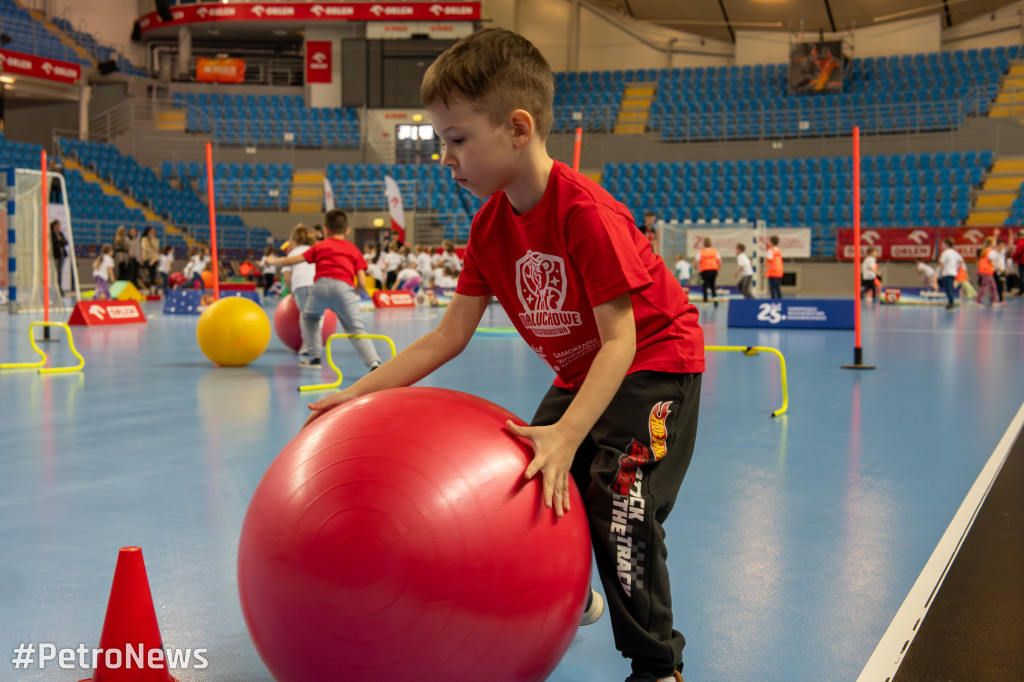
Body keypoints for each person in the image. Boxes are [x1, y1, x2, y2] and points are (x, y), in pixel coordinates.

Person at [301, 29, 702, 682]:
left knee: (617, 497)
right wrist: (360, 391)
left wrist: (570, 433)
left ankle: (658, 667)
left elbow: (623, 340)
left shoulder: (586, 214)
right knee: (525, 475)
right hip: (584, 369)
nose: (446, 157)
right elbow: (447, 335)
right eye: (442, 142)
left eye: (457, 140)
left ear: (517, 129)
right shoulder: (489, 226)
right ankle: (568, 589)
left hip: (656, 363)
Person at [267, 209, 382, 372]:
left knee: (309, 318)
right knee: (356, 329)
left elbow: (292, 260)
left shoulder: (320, 246)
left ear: (325, 229)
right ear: (347, 230)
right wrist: (355, 291)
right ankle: (374, 363)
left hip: (320, 288)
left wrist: (272, 262)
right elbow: (362, 281)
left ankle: (314, 357)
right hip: (344, 289)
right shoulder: (353, 249)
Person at [280, 224, 318, 363]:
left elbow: (287, 276)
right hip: (316, 284)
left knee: (305, 315)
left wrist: (290, 291)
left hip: (301, 285)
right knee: (316, 316)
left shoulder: (293, 253)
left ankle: (307, 346)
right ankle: (314, 346)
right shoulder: (314, 250)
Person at [938, 237, 963, 309]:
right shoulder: (955, 253)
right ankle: (951, 301)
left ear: (946, 244)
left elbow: (942, 263)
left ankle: (951, 303)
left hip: (947, 273)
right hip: (953, 273)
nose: (942, 246)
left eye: (942, 244)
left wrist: (941, 271)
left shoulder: (945, 253)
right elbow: (961, 261)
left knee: (948, 288)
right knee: (950, 287)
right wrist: (957, 268)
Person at [696, 237, 721, 306]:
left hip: (705, 271)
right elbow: (720, 262)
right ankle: (715, 301)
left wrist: (695, 266)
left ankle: (705, 302)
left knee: (705, 286)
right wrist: (718, 270)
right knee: (712, 286)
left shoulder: (701, 252)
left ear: (704, 244)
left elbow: (696, 261)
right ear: (710, 244)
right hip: (713, 270)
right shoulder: (714, 251)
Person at [975, 236, 998, 307]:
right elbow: (992, 262)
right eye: (994, 243)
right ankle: (978, 301)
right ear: (991, 244)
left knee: (992, 286)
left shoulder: (985, 251)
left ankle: (994, 301)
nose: (995, 244)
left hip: (986, 271)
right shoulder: (990, 252)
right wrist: (999, 268)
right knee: (984, 286)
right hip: (986, 271)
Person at [49, 220, 69, 295]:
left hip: (62, 254)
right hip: (56, 254)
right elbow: (55, 244)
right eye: (57, 225)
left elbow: (65, 242)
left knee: (60, 271)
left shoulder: (60, 233)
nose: (58, 226)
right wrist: (60, 243)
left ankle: (59, 288)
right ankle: (55, 288)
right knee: (56, 271)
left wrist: (60, 242)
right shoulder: (51, 234)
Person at [141, 226, 160, 295]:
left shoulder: (156, 239)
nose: (153, 232)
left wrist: (154, 259)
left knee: (153, 275)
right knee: (147, 274)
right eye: (152, 231)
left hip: (154, 259)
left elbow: (156, 249)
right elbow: (145, 248)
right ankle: (149, 286)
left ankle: (153, 289)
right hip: (146, 258)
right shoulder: (144, 239)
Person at [766, 234, 783, 299]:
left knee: (772, 288)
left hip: (772, 272)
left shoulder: (770, 250)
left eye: (769, 242)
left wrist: (766, 272)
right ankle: (781, 300)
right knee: (777, 287)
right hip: (779, 271)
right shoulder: (778, 250)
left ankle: (773, 301)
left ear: (772, 242)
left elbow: (769, 262)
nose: (768, 243)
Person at [1012, 228, 1024, 295]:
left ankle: (1021, 290)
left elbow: (1017, 252)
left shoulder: (1020, 242)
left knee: (1021, 276)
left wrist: (1012, 257)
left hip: (1022, 262)